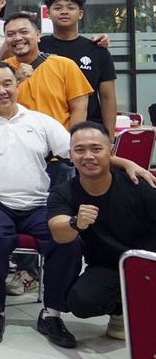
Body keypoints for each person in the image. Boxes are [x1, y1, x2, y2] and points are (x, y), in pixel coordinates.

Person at [0, 62, 152, 347]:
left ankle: (52, 314)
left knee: (68, 242)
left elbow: (79, 152)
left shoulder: (40, 121)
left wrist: (124, 162)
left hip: (38, 204)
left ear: (17, 86)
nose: (1, 90)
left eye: (7, 83)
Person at [49, 121, 156, 340]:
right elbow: (59, 232)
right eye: (80, 150)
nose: (88, 156)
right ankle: (120, 311)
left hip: (150, 262)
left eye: (96, 149)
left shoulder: (137, 183)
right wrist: (76, 223)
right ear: (70, 155)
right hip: (108, 268)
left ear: (111, 151)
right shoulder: (64, 193)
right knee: (81, 301)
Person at [40, 0, 117, 132]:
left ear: (80, 14)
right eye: (57, 8)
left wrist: (109, 137)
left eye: (70, 7)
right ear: (48, 14)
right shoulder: (39, 47)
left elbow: (108, 97)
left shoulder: (97, 50)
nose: (64, 11)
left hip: (89, 128)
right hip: (47, 128)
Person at [3, 12, 92, 130]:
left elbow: (79, 109)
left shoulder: (65, 65)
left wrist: (72, 142)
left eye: (24, 32)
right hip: (17, 143)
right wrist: (15, 79)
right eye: (10, 34)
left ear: (38, 35)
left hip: (58, 144)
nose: (17, 38)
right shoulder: (1, 70)